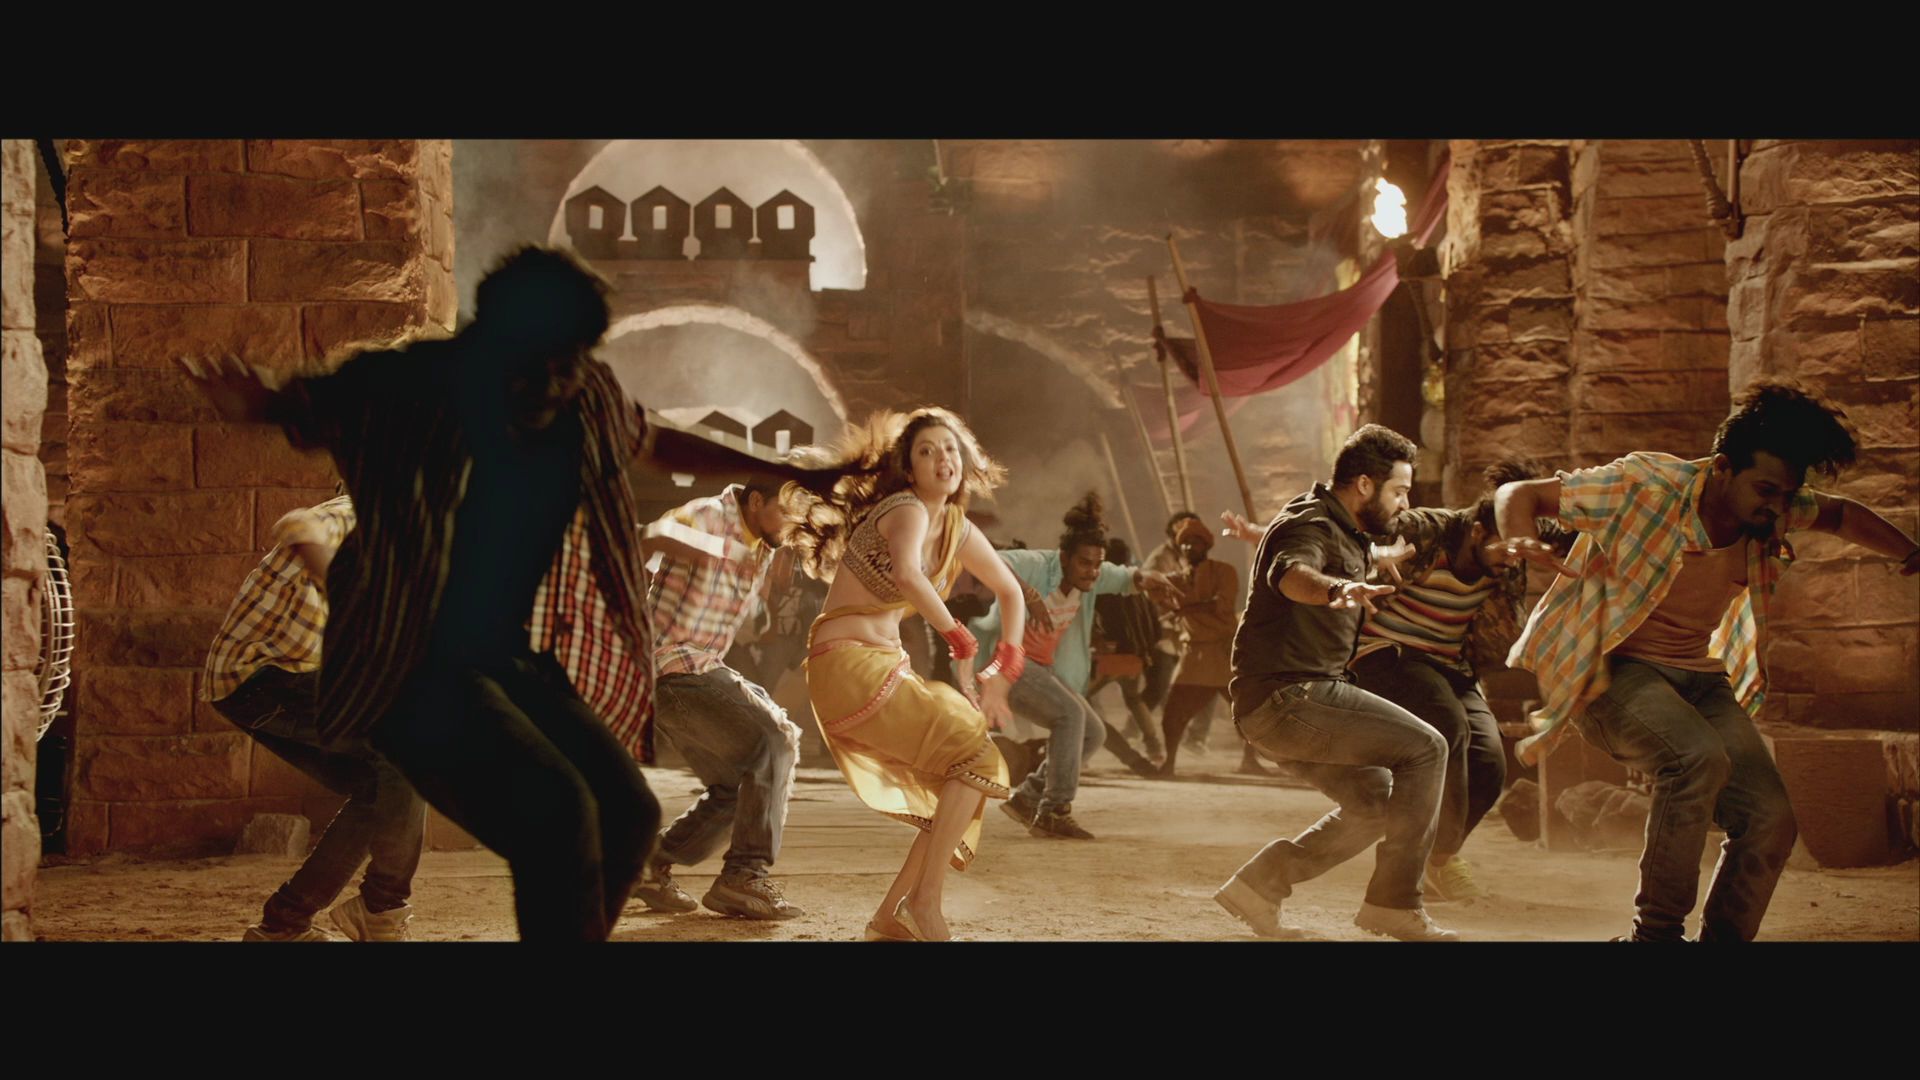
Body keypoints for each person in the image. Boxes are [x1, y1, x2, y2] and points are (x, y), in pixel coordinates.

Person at [181, 245, 660, 941]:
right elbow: (310, 410)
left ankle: (366, 908)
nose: (558, 382)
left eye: (573, 361)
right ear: (492, 339)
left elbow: (651, 438)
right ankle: (352, 910)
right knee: (549, 813)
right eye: (544, 363)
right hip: (396, 665)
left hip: (503, 659)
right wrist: (263, 402)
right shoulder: (403, 386)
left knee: (629, 813)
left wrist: (781, 471)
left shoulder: (583, 398)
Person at [1495, 380, 1920, 942]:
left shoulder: (1773, 509)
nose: (1777, 507)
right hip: (1606, 671)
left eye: (1787, 495)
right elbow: (1519, 494)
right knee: (1695, 758)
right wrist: (1519, 541)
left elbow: (1842, 516)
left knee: (1769, 817)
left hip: (1697, 677)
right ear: (1722, 468)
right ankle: (1654, 939)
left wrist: (1910, 552)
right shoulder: (1645, 485)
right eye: (1765, 490)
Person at [785, 407, 1029, 941]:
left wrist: (1005, 665)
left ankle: (889, 917)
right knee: (976, 758)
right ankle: (924, 903)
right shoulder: (906, 509)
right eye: (926, 451)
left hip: (879, 668)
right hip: (848, 665)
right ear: (909, 468)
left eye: (950, 448)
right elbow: (909, 575)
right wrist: (960, 638)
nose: (943, 458)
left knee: (960, 783)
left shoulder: (956, 528)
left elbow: (1011, 592)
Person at [1211, 424, 1460, 942]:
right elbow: (1292, 573)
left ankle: (1259, 886)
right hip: (1291, 699)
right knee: (1428, 749)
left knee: (1376, 805)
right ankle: (1393, 905)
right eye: (1399, 491)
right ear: (1365, 485)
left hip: (1276, 706)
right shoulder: (1310, 526)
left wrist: (1379, 559)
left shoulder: (1341, 528)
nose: (1405, 503)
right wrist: (1338, 590)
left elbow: (1338, 555)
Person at [1341, 460, 1570, 902]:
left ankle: (1438, 857)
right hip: (1386, 653)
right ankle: (1409, 866)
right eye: (1506, 549)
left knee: (1490, 762)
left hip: (1451, 667)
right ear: (1479, 532)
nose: (1514, 560)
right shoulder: (1427, 530)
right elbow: (1352, 534)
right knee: (1449, 726)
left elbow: (1573, 532)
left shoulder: (1512, 550)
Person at [204, 495, 425, 942]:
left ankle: (282, 925)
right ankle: (381, 908)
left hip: (291, 679)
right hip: (263, 677)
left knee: (380, 788)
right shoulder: (362, 513)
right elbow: (300, 524)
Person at [628, 480, 808, 921]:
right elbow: (646, 536)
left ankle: (648, 866)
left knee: (740, 785)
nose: (791, 523)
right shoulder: (707, 515)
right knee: (774, 739)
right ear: (756, 501)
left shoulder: (765, 544)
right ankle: (743, 877)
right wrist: (710, 549)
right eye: (786, 511)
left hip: (698, 667)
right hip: (670, 665)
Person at [966, 494, 1178, 839]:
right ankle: (1055, 810)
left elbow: (1123, 576)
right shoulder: (1038, 564)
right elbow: (987, 559)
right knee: (1071, 716)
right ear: (1064, 558)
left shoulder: (1088, 579)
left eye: (1096, 564)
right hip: (1006, 666)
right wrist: (1028, 595)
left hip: (1041, 669)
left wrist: (1147, 578)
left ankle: (1029, 798)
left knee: (1094, 732)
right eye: (1084, 563)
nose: (1092, 571)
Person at [1153, 515, 1250, 777]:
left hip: (1222, 652)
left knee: (1245, 710)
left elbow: (1222, 604)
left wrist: (1185, 608)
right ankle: (1169, 763)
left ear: (1206, 545)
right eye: (1185, 543)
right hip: (1194, 655)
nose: (1189, 547)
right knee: (1173, 713)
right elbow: (1155, 592)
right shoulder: (1176, 578)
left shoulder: (1224, 571)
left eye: (1195, 542)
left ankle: (1251, 759)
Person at [1085, 537, 1167, 761]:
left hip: (1111, 657)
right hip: (1135, 657)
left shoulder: (1104, 587)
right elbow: (1155, 627)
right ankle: (1154, 747)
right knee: (1134, 699)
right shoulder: (1140, 587)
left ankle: (1083, 750)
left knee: (1079, 699)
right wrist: (1144, 650)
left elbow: (1093, 619)